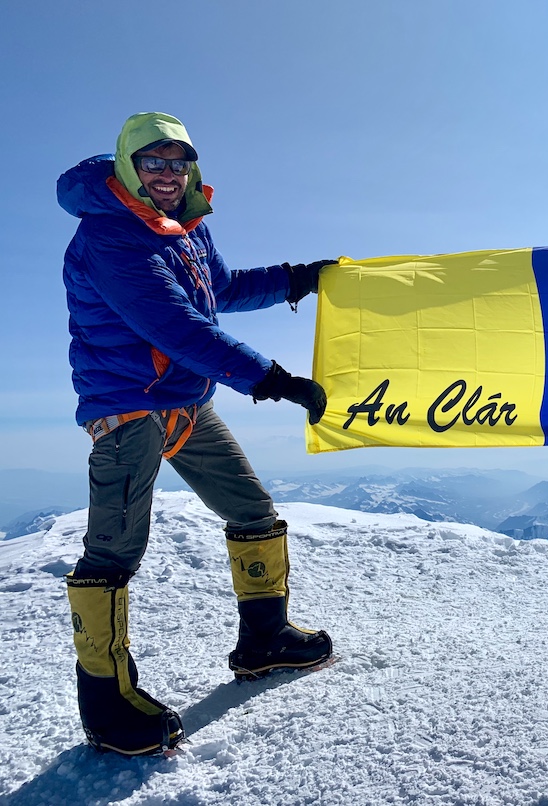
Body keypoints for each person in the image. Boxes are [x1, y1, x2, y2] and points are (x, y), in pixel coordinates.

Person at [57, 111, 336, 755]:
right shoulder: (110, 235)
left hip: (184, 398)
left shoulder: (184, 224)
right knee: (115, 550)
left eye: (177, 163)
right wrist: (276, 380)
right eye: (152, 163)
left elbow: (221, 289)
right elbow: (178, 327)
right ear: (128, 166)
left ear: (192, 169)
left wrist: (297, 278)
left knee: (252, 511)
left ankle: (265, 641)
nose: (166, 174)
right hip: (127, 405)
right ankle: (106, 707)